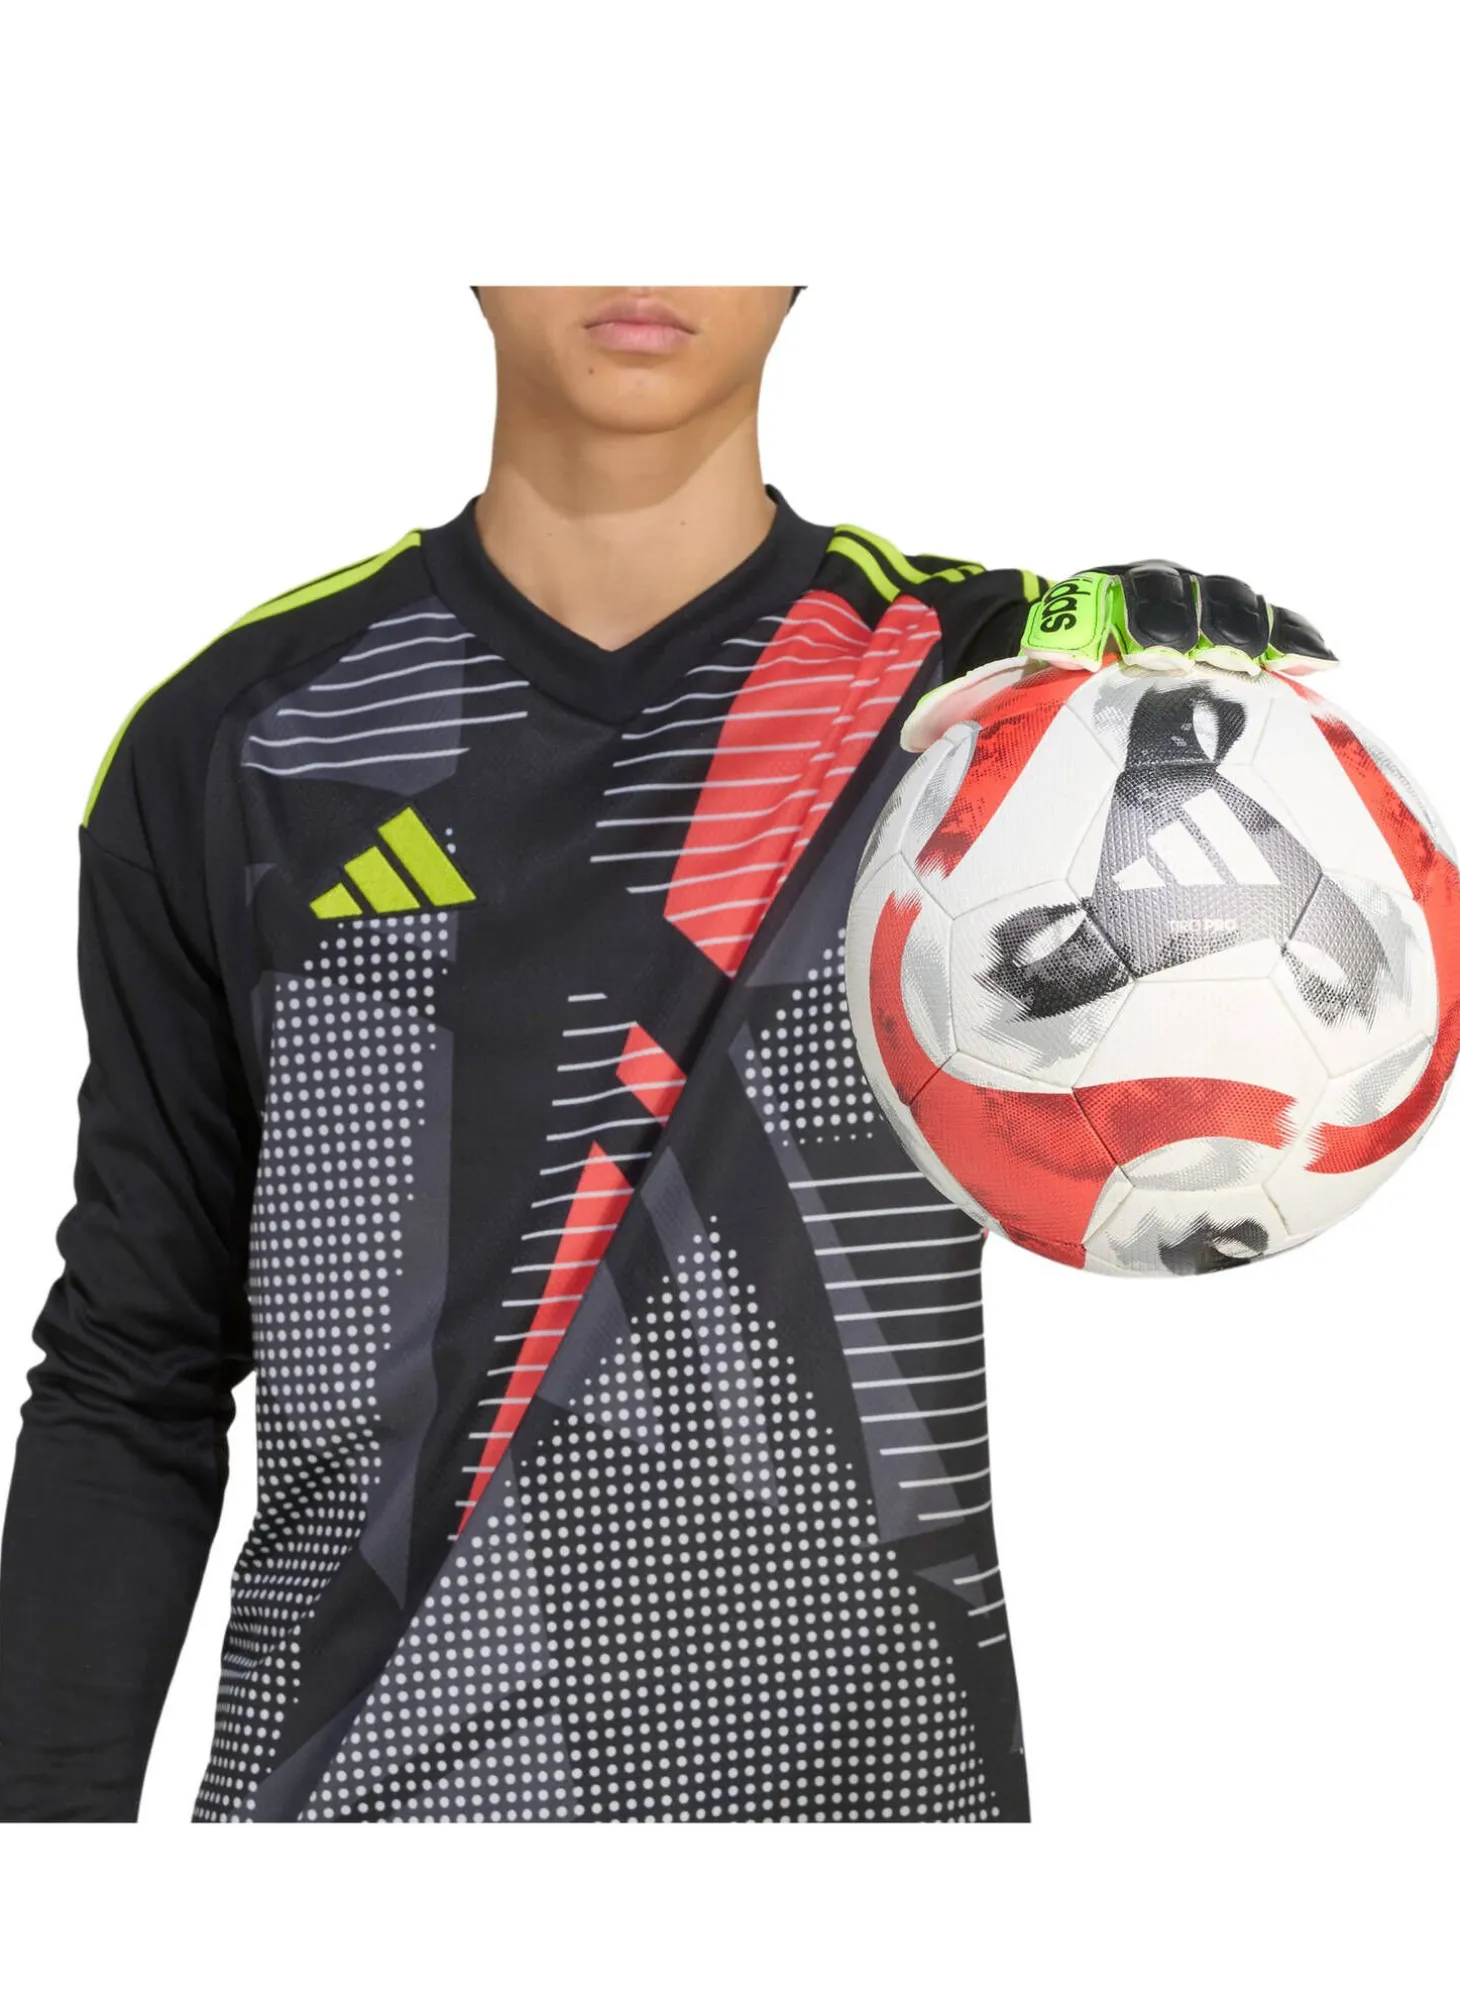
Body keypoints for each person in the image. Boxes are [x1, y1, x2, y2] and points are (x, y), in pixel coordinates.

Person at [0, 287, 1329, 1822]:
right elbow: (135, 1369)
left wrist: (1194, 736)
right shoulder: (238, 739)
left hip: (873, 1829)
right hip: (362, 1815)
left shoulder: (990, 697)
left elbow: (1246, 1023)